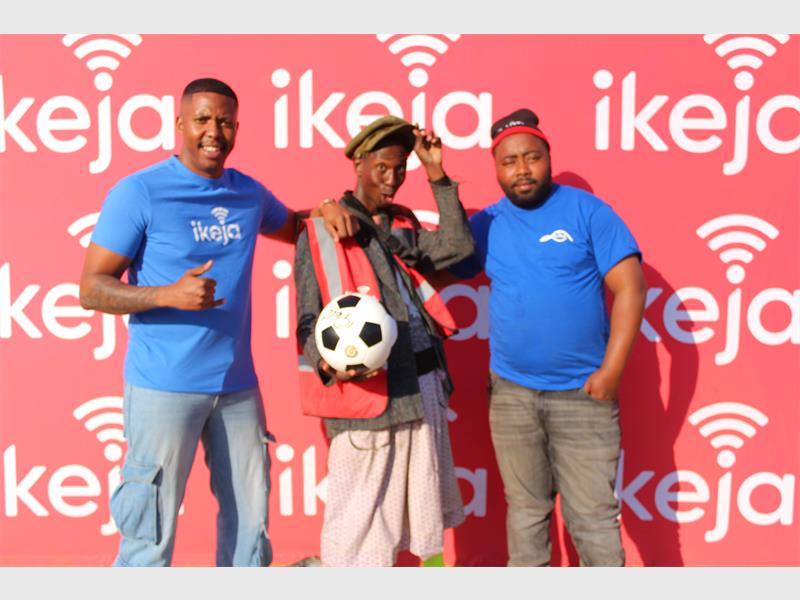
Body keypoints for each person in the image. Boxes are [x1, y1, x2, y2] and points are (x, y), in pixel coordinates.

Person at [79, 78, 356, 567]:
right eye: (203, 119)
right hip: (163, 388)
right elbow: (91, 288)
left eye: (225, 121)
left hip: (236, 388)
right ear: (180, 123)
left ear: (236, 128)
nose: (214, 131)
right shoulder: (139, 192)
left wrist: (327, 209)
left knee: (250, 533)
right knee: (149, 537)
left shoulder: (247, 193)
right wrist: (166, 294)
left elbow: (296, 226)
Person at [450, 108, 646, 566]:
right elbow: (441, 264)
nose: (522, 169)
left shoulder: (588, 212)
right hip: (512, 395)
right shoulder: (488, 223)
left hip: (583, 395)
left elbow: (631, 288)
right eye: (509, 161)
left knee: (593, 520)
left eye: (532, 157)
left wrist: (612, 372)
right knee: (526, 513)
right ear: (496, 168)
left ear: (548, 158)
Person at [294, 116, 474, 567]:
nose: (392, 178)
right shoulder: (321, 230)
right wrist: (326, 362)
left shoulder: (401, 225)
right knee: (357, 528)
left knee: (424, 522)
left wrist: (436, 172)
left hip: (423, 388)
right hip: (367, 397)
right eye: (382, 167)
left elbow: (457, 247)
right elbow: (307, 319)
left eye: (400, 168)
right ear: (359, 162)